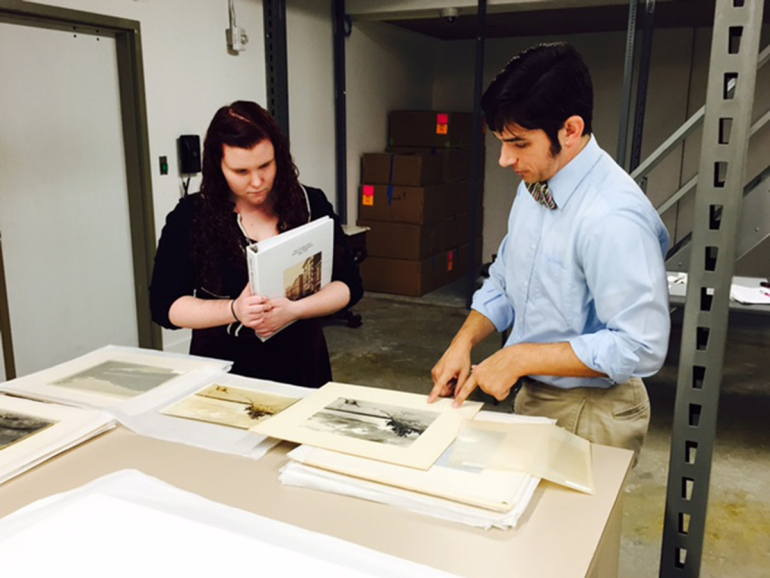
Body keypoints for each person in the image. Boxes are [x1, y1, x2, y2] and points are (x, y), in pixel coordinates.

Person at [429, 43, 670, 459]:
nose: (505, 159)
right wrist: (463, 341)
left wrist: (520, 357)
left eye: (519, 143)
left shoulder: (613, 217)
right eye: (502, 142)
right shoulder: (537, 184)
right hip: (536, 392)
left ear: (570, 130)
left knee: (566, 525)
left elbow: (640, 345)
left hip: (592, 410)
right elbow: (506, 276)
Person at [150, 101, 363, 388]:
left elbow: (349, 285)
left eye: (265, 165)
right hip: (222, 371)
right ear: (218, 166)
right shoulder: (191, 217)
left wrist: (295, 310)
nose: (257, 182)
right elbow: (165, 306)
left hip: (301, 366)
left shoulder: (310, 204)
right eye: (241, 172)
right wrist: (234, 310)